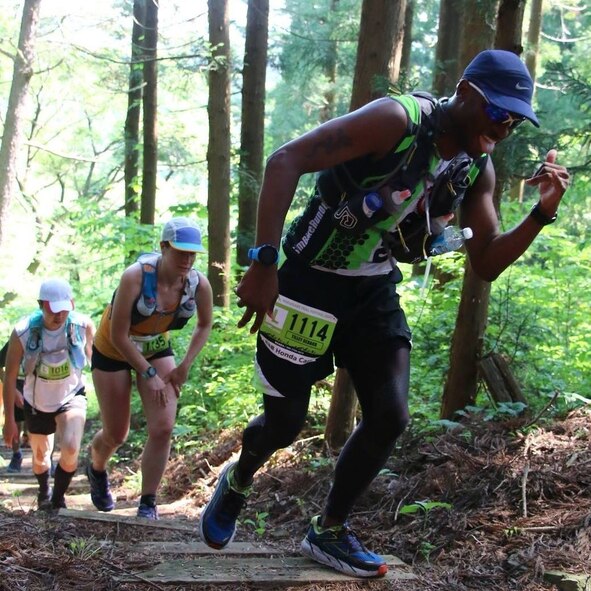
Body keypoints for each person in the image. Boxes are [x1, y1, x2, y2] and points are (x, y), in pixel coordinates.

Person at [199, 50, 570, 577]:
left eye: (515, 120)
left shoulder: (475, 167)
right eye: (497, 113)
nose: (504, 127)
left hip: (372, 291)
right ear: (465, 93)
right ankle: (239, 479)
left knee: (391, 414)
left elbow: (485, 261)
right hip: (306, 281)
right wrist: (264, 263)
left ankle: (328, 531)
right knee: (284, 424)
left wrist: (541, 214)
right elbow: (286, 160)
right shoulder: (397, 121)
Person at [87, 217, 213, 520]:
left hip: (154, 345)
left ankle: (147, 502)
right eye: (180, 251)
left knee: (164, 426)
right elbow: (118, 335)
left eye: (192, 253)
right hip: (113, 349)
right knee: (117, 433)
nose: (187, 259)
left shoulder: (198, 283)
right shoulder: (135, 277)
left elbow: (205, 323)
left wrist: (184, 366)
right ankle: (96, 467)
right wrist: (148, 374)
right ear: (163, 247)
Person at [2, 278, 95, 510]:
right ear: (41, 304)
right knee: (41, 457)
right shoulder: (23, 332)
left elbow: (98, 363)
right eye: (54, 310)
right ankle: (44, 490)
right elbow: (10, 375)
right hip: (36, 401)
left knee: (72, 445)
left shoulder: (83, 326)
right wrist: (10, 421)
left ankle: (58, 498)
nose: (60, 315)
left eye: (65, 309)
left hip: (72, 395)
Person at [0, 341, 26, 473]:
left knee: (45, 422)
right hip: (17, 383)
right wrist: (12, 388)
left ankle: (47, 459)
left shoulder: (51, 335)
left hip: (42, 384)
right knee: (16, 421)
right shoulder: (17, 338)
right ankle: (17, 455)